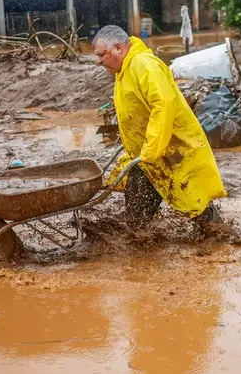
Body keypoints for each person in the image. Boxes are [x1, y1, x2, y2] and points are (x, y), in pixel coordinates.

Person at [93, 25, 226, 225]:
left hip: (172, 150)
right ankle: (143, 245)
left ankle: (223, 239)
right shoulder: (124, 71)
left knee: (193, 201)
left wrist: (151, 149)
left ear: (118, 48)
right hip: (146, 156)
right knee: (137, 216)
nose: (99, 61)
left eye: (102, 55)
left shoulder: (144, 65)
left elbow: (163, 106)